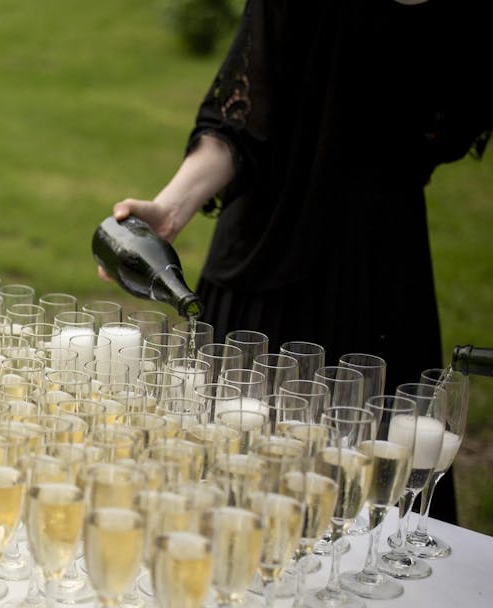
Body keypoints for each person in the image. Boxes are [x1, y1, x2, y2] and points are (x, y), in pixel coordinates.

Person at [109, 0, 491, 524]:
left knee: (382, 523)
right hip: (267, 269)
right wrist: (170, 211)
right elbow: (237, 120)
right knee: (226, 507)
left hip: (384, 278)